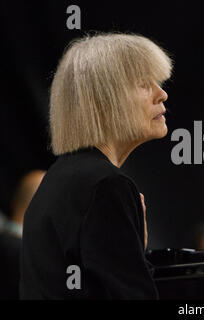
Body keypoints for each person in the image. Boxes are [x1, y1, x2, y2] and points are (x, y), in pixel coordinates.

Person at [20, 32, 172, 299]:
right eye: (143, 84)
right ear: (105, 101)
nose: (162, 94)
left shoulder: (57, 179)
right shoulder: (106, 186)